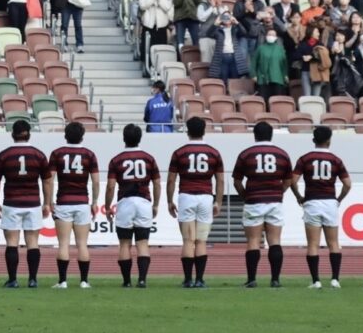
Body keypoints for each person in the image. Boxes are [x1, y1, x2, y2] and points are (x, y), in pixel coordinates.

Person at [0, 119, 52, 288]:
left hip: (11, 202)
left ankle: (13, 280)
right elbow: (47, 181)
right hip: (32, 203)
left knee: (12, 242)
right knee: (33, 241)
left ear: (12, 135)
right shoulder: (38, 155)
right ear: (29, 134)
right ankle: (32, 279)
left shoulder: (4, 155)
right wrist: (47, 203)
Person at [165, 117, 224, 289]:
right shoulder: (214, 153)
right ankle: (199, 279)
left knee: (188, 241)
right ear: (204, 130)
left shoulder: (179, 152)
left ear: (187, 131)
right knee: (201, 241)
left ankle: (188, 279)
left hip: (186, 196)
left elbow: (170, 180)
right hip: (206, 197)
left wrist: (169, 200)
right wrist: (218, 202)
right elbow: (220, 180)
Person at [291, 126, 352, 289]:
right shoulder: (336, 160)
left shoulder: (305, 159)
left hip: (312, 202)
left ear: (313, 140)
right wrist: (338, 199)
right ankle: (335, 280)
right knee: (333, 243)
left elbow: (292, 181)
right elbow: (347, 184)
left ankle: (316, 281)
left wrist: (299, 197)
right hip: (330, 203)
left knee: (313, 244)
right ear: (329, 141)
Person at [232, 121, 292, 288]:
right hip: (275, 201)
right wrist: (280, 192)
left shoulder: (246, 154)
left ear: (255, 135)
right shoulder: (282, 154)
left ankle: (252, 279)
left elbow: (237, 181)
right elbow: (288, 179)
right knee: (275, 240)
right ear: (271, 134)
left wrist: (246, 196)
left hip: (253, 201)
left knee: (253, 241)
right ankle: (275, 279)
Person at [102, 123, 160, 288]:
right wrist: (155, 204)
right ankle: (142, 280)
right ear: (140, 138)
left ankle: (126, 281)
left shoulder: (116, 160)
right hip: (143, 202)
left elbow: (111, 186)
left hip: (125, 202)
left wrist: (107, 206)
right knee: (142, 243)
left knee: (125, 243)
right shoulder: (149, 158)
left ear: (124, 139)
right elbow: (156, 184)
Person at [48, 122, 99, 289]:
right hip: (82, 202)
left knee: (63, 243)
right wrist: (95, 202)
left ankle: (62, 281)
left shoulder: (57, 153)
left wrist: (48, 201)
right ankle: (84, 281)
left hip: (63, 201)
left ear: (65, 135)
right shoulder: (89, 154)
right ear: (82, 136)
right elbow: (96, 181)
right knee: (82, 243)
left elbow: (50, 180)